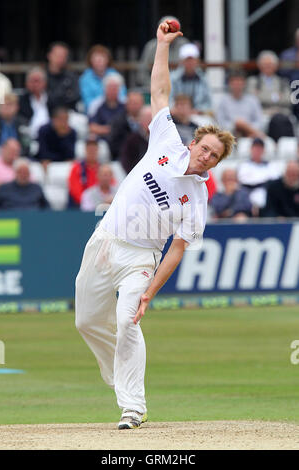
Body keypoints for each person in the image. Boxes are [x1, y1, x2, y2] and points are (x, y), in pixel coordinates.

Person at [75, 19, 235, 430]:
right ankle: (119, 375)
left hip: (141, 259)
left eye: (215, 156)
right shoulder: (166, 138)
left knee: (128, 319)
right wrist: (163, 45)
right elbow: (160, 89)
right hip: (106, 239)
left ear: (217, 162)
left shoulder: (197, 200)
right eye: (205, 148)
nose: (207, 157)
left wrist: (150, 292)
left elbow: (177, 249)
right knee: (86, 321)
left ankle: (133, 404)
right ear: (195, 142)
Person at [246, 51, 294, 142]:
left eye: (270, 64)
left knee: (281, 120)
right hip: (262, 115)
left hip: (281, 115)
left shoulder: (283, 82)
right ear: (260, 66)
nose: (268, 67)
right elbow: (251, 101)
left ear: (276, 66)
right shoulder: (253, 81)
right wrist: (276, 98)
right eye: (265, 64)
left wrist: (262, 95)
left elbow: (288, 100)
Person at [137, 15, 189, 88]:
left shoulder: (185, 45)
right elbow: (142, 73)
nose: (170, 32)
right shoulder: (151, 47)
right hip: (156, 88)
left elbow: (193, 69)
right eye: (167, 29)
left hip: (181, 89)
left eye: (174, 29)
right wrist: (152, 86)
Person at [237, 137, 282, 215]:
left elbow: (276, 183)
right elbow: (245, 183)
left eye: (260, 148)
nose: (257, 150)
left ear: (263, 150)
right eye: (255, 148)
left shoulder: (271, 166)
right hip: (248, 198)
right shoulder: (244, 166)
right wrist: (265, 182)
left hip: (268, 200)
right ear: (251, 149)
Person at [217, 70, 264, 138]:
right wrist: (236, 125)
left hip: (250, 135)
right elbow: (220, 122)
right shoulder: (223, 101)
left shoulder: (252, 100)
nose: (237, 86)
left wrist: (246, 127)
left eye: (239, 83)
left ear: (244, 84)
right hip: (230, 135)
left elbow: (259, 121)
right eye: (234, 83)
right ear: (230, 84)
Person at [79, 44, 127, 113]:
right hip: (94, 113)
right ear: (90, 60)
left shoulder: (115, 75)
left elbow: (122, 97)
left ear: (108, 60)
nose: (99, 61)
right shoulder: (85, 79)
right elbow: (87, 102)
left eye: (102, 58)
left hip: (116, 111)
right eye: (96, 58)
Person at [169, 43, 213, 115]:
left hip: (198, 116)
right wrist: (178, 110)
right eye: (187, 60)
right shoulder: (172, 78)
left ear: (197, 61)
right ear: (181, 61)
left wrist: (199, 111)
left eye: (192, 59)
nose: (190, 63)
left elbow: (209, 104)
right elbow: (168, 101)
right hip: (176, 116)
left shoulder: (204, 79)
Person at [88, 74, 126, 142]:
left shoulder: (125, 104)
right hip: (102, 140)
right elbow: (92, 127)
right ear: (104, 89)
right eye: (110, 88)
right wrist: (111, 129)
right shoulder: (95, 104)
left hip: (122, 140)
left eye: (115, 88)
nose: (112, 91)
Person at [108, 91, 144, 160]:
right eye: (132, 103)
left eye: (136, 103)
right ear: (126, 105)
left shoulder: (149, 121)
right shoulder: (117, 122)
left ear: (142, 104)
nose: (134, 106)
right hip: (123, 159)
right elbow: (113, 144)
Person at [46, 42, 80, 112]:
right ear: (49, 55)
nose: (61, 59)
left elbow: (75, 97)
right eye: (58, 55)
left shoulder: (72, 76)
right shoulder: (42, 76)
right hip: (47, 112)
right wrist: (64, 94)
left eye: (64, 56)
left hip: (68, 113)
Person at [18, 67, 50, 140]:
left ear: (45, 82)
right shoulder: (21, 101)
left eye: (37, 81)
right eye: (31, 81)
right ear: (26, 83)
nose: (35, 84)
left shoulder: (53, 99)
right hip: (28, 136)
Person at [68, 137, 100, 207]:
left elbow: (111, 186)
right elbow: (75, 190)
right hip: (80, 207)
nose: (92, 151)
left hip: (100, 205)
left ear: (97, 150)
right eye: (89, 149)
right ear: (85, 150)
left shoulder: (103, 169)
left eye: (94, 149)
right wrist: (89, 202)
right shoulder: (77, 168)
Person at [120, 105, 152, 174]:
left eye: (151, 118)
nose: (150, 121)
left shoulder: (160, 138)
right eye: (147, 119)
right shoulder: (132, 140)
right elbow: (126, 161)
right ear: (140, 120)